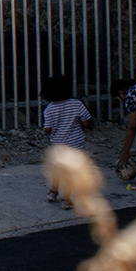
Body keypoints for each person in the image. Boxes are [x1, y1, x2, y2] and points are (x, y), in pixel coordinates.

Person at [41, 74, 93, 206]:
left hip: (58, 144)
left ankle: (53, 191)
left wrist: (47, 133)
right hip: (76, 143)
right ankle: (66, 198)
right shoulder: (77, 104)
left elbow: (48, 129)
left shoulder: (49, 110)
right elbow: (87, 122)